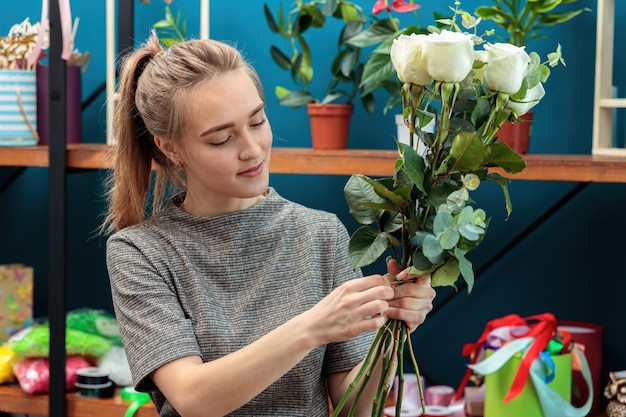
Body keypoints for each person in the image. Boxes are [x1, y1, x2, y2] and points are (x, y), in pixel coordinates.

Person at [102, 33, 436, 417]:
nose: (252, 149)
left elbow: (354, 407)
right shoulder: (140, 252)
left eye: (257, 121)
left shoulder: (321, 235)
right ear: (171, 148)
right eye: (222, 139)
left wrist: (393, 332)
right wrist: (313, 326)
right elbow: (194, 398)